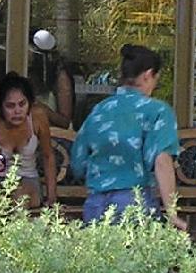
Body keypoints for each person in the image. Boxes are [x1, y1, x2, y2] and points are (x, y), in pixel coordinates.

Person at [69, 44, 187, 228]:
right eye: (156, 78)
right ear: (148, 75)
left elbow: (77, 162)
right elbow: (162, 161)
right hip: (136, 204)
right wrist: (172, 213)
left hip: (96, 205)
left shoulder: (99, 110)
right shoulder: (158, 111)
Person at [0, 72, 56, 211]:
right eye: (10, 106)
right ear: (0, 107)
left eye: (22, 104)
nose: (17, 111)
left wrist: (52, 197)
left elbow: (48, 156)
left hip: (28, 178)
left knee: (19, 196)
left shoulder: (38, 117)